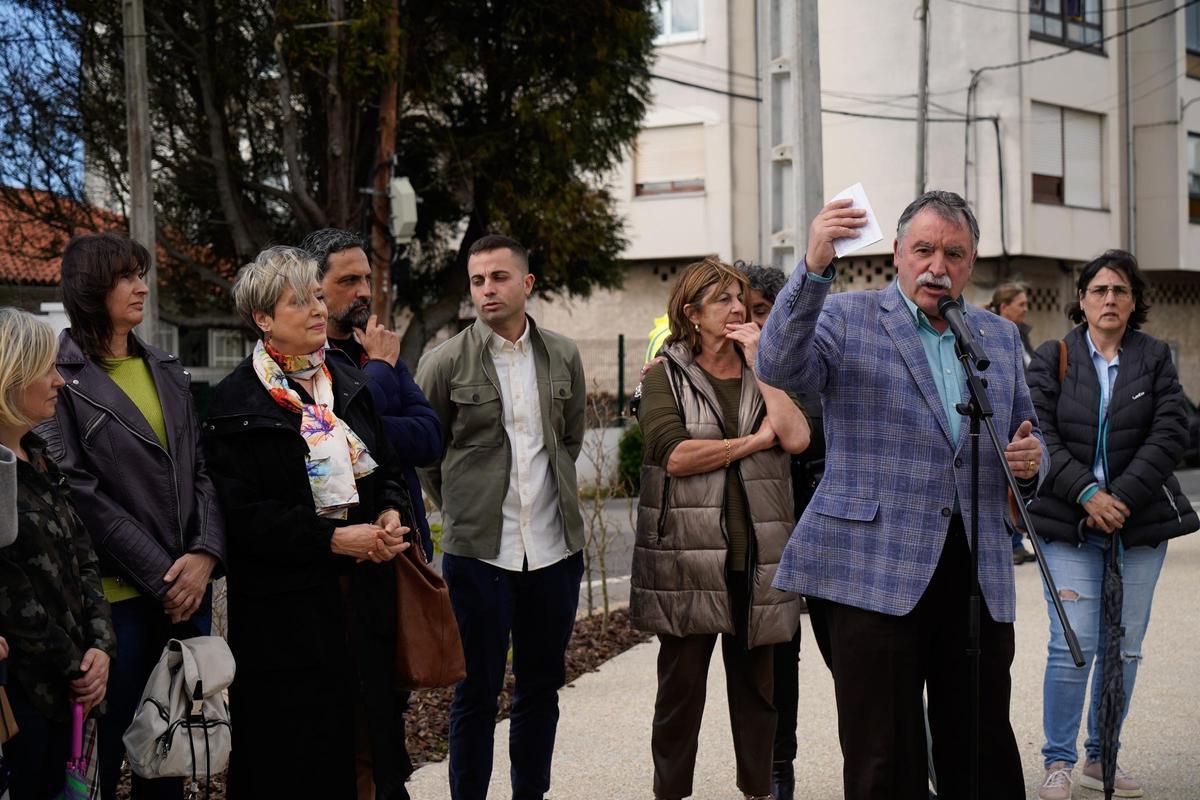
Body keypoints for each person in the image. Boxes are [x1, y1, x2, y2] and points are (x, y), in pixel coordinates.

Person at [756, 190, 1045, 800]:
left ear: (971, 263)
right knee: (885, 754)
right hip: (874, 567)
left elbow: (1023, 437)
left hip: (975, 573)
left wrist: (1029, 462)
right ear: (897, 253)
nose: (938, 265)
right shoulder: (845, 317)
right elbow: (780, 363)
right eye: (924, 249)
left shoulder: (995, 335)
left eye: (954, 253)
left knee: (981, 746)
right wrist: (813, 267)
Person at [202, 246, 414, 799]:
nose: (318, 310)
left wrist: (390, 513)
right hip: (286, 618)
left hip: (364, 599)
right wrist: (335, 539)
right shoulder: (235, 401)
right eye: (299, 302)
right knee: (292, 759)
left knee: (368, 747)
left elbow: (387, 467)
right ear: (264, 319)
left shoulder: (345, 380)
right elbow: (245, 518)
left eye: (317, 296)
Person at [34, 233, 226, 800]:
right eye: (126, 277)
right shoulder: (57, 375)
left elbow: (202, 471)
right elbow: (77, 491)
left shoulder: (167, 368)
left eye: (141, 274)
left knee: (169, 759)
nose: (142, 286)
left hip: (185, 595)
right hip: (114, 607)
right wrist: (166, 574)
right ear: (92, 290)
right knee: (101, 758)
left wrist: (205, 554)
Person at [415, 234, 586, 800]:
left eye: (499, 277)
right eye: (477, 280)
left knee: (541, 688)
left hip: (554, 551)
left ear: (527, 284)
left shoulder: (563, 354)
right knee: (476, 693)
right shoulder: (443, 362)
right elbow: (426, 455)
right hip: (479, 555)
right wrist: (464, 510)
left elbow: (570, 439)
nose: (487, 289)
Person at [631, 257, 808, 800]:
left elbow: (797, 437)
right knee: (681, 694)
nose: (736, 308)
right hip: (687, 558)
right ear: (692, 313)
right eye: (722, 301)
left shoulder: (764, 367)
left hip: (757, 556)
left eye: (739, 298)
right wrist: (754, 442)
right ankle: (671, 792)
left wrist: (761, 362)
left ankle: (758, 792)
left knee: (758, 693)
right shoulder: (666, 374)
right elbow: (675, 455)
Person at [1026, 250, 1197, 800]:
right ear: (1081, 299)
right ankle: (1058, 761)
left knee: (1124, 647)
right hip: (1069, 524)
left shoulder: (1154, 358)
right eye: (1098, 290)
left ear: (1133, 301)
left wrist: (1118, 496)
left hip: (1137, 522)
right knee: (1071, 644)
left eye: (1120, 291)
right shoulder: (1053, 358)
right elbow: (1039, 433)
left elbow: (1171, 432)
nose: (1109, 300)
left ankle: (1103, 757)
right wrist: (1086, 492)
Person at [302, 227, 443, 790]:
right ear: (314, 288)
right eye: (348, 280)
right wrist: (382, 374)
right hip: (344, 569)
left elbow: (430, 437)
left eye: (367, 277)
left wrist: (374, 412)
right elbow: (338, 432)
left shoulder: (373, 347)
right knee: (350, 723)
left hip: (399, 553)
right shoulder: (311, 361)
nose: (364, 290)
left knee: (390, 712)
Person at [0, 307, 115, 799]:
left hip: (69, 695)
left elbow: (85, 557)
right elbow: (10, 591)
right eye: (46, 369)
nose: (59, 382)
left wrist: (102, 649)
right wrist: (78, 669)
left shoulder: (42, 457)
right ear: (12, 375)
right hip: (25, 700)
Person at [738, 261, 827, 800]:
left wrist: (762, 365)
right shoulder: (726, 367)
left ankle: (912, 769)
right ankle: (778, 770)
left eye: (762, 313)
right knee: (779, 659)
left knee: (860, 659)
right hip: (767, 532)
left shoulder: (805, 359)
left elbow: (807, 437)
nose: (747, 324)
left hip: (823, 523)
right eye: (741, 313)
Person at [988, 282, 1038, 565]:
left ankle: (1017, 539)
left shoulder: (1020, 336)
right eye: (1021, 304)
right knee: (1004, 482)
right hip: (1001, 418)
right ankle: (1012, 541)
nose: (1026, 309)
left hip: (1024, 415)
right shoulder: (988, 335)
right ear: (1005, 307)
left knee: (1020, 480)